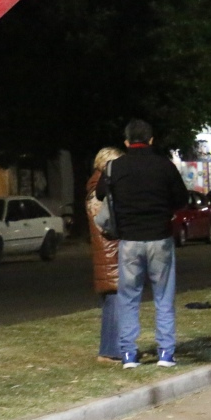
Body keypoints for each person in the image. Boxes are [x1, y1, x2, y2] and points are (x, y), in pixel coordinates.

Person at [95, 120, 189, 369]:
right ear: (151, 140)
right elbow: (182, 198)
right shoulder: (164, 166)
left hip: (129, 241)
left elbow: (100, 194)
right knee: (163, 296)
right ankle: (166, 353)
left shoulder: (115, 167)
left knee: (128, 297)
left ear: (126, 142)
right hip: (160, 238)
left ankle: (128, 354)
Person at [85, 146, 124, 364]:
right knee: (114, 300)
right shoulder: (97, 189)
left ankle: (114, 348)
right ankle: (109, 350)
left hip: (109, 250)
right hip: (110, 251)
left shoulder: (99, 185)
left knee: (113, 300)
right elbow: (104, 222)